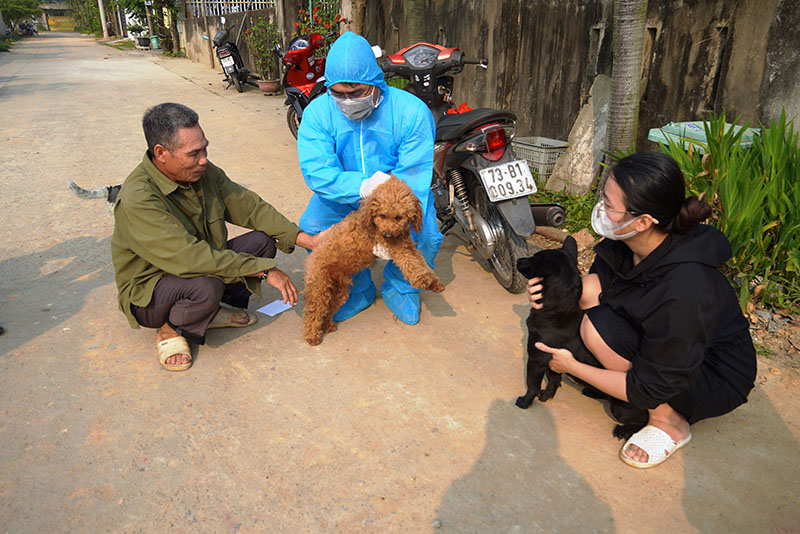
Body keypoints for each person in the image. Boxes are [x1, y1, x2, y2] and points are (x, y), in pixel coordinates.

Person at [528, 152, 756, 468]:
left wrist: (570, 366)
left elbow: (650, 385)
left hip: (711, 374)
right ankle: (621, 370)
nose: (601, 210)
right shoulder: (632, 241)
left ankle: (669, 422)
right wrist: (552, 291)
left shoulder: (684, 288)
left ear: (644, 220)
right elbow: (598, 283)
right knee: (588, 290)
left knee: (595, 328)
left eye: (608, 204)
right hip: (674, 345)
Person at [112, 102, 318, 371]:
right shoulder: (139, 197)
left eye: (205, 148)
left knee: (262, 242)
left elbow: (250, 207)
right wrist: (266, 272)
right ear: (161, 153)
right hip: (152, 288)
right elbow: (189, 258)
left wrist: (306, 239)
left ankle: (209, 310)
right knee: (205, 287)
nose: (204, 159)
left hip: (199, 266)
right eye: (194, 153)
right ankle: (170, 328)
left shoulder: (203, 173)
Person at [296, 31, 442, 325]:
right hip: (341, 196)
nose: (348, 101)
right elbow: (317, 171)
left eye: (357, 92)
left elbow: (414, 174)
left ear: (377, 83)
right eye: (339, 94)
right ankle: (357, 290)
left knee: (424, 233)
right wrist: (361, 187)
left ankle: (402, 288)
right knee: (313, 226)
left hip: (394, 198)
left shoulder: (411, 112)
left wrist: (384, 199)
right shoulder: (317, 113)